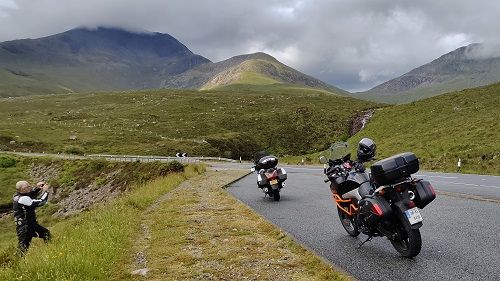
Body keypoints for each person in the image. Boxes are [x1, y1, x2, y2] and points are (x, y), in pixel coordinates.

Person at [13, 180, 51, 254]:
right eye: (28, 186)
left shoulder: (18, 195)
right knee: (23, 248)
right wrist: (46, 192)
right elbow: (41, 202)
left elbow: (29, 194)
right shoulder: (23, 199)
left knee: (46, 233)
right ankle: (16, 263)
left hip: (30, 224)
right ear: (23, 189)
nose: (30, 187)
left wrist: (38, 188)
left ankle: (50, 251)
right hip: (25, 227)